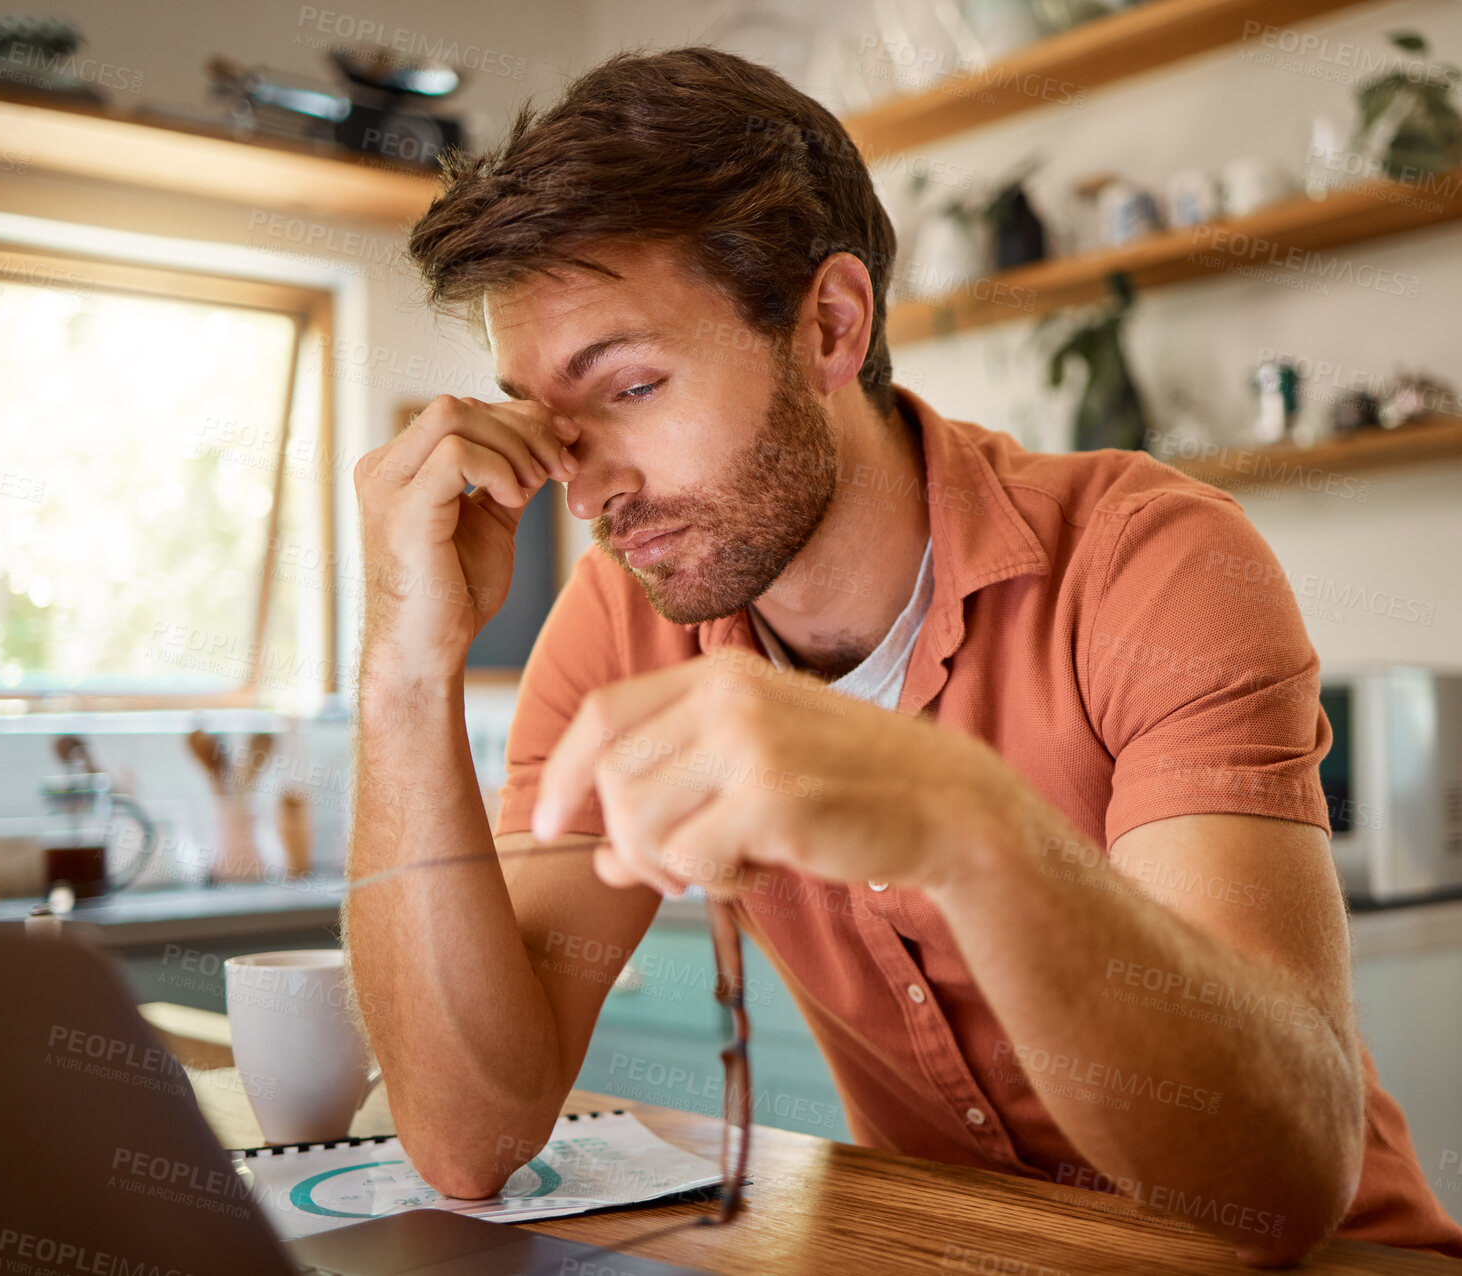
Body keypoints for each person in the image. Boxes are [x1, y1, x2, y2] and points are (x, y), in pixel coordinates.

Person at [343, 46, 1462, 1265]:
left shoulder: (1154, 560)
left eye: (634, 385)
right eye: (546, 415)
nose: (586, 481)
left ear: (830, 323)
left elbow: (1281, 1188)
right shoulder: (624, 616)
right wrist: (405, 666)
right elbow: (468, 1137)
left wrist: (966, 825)